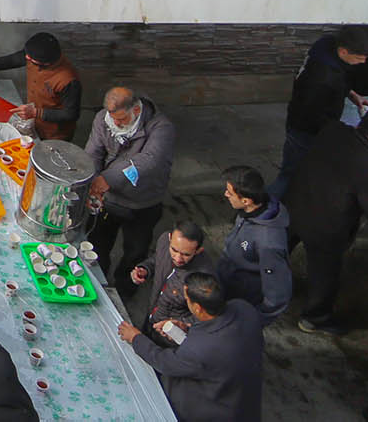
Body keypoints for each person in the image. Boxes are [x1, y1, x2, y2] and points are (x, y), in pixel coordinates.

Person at [283, 102, 368, 332]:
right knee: (324, 273)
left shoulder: (333, 131)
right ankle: (314, 318)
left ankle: (258, 286)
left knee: (279, 249)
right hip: (326, 226)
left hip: (296, 204)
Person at [118, 272, 265, 422]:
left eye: (187, 299)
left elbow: (165, 363)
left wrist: (136, 338)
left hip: (215, 410)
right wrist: (188, 328)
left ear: (198, 308)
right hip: (243, 395)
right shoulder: (244, 308)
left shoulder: (200, 349)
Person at [84, 85, 177, 287]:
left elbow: (150, 160)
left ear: (136, 110)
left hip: (142, 203)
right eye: (113, 118)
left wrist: (106, 179)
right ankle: (98, 282)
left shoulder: (161, 128)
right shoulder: (103, 119)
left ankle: (125, 287)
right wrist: (92, 182)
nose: (116, 123)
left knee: (135, 251)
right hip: (109, 200)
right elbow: (94, 152)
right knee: (98, 243)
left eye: (122, 120)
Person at [273, 28, 368, 196]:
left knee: (296, 169)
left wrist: (351, 94)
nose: (363, 62)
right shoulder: (321, 77)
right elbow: (311, 114)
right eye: (359, 57)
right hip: (305, 130)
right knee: (291, 173)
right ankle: (268, 209)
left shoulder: (327, 48)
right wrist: (342, 131)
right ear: (343, 51)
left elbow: (338, 80)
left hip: (307, 123)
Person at [0, 32, 82, 141]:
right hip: (33, 122)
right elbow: (13, 59)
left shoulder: (68, 80)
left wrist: (36, 112)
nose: (26, 58)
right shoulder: (34, 56)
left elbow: (71, 114)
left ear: (46, 63)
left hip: (54, 134)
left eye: (30, 58)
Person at [214, 165, 291, 322]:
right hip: (227, 283)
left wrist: (253, 321)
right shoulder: (248, 212)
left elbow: (277, 293)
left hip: (241, 300)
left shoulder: (269, 243)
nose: (225, 194)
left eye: (230, 192)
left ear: (246, 200)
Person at [130, 221, 211, 337]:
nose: (178, 258)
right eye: (174, 250)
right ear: (169, 238)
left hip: (169, 336)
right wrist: (145, 269)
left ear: (198, 251)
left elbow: (205, 316)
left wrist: (182, 325)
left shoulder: (204, 278)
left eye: (186, 255)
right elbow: (157, 260)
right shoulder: (163, 241)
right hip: (151, 318)